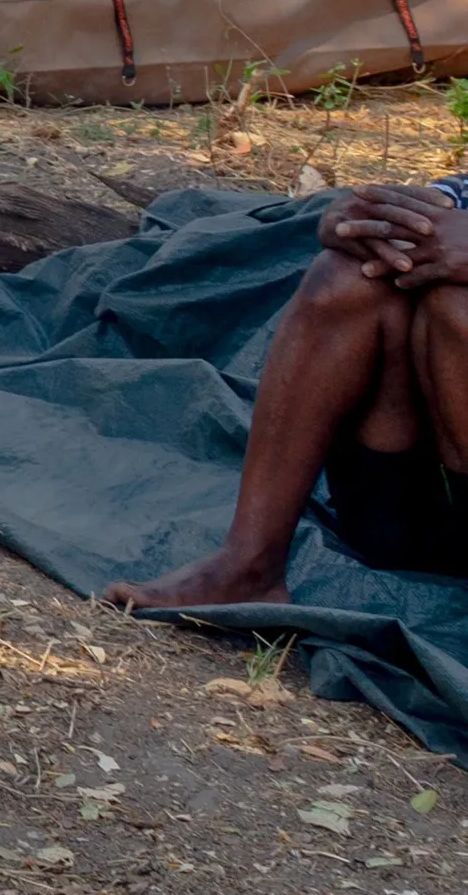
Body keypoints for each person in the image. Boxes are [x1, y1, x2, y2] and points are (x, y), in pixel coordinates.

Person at [109, 176, 468, 608]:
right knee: (349, 273)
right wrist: (369, 220)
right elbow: (445, 208)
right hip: (405, 508)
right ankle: (248, 566)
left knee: (457, 310)